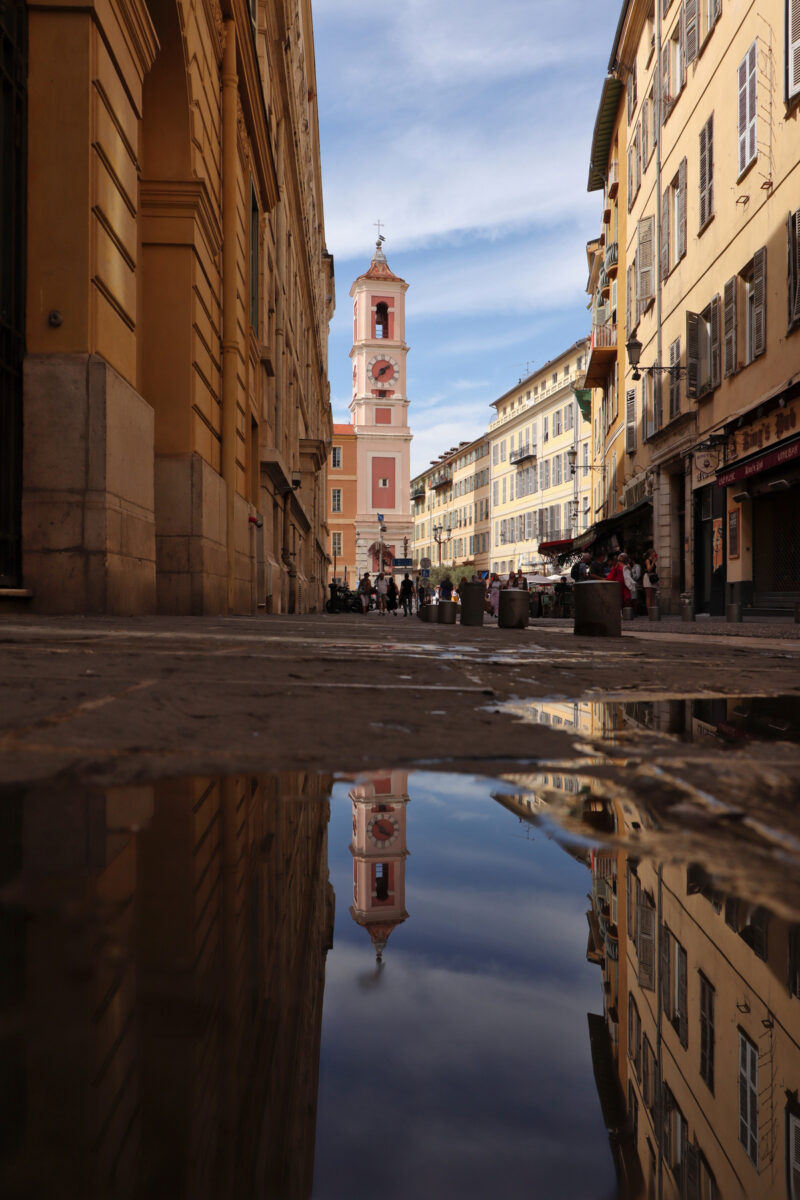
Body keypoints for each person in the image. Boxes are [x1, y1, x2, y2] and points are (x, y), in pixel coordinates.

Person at [643, 548, 658, 614]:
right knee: (648, 595)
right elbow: (649, 569)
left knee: (653, 595)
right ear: (651, 553)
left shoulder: (652, 560)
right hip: (648, 577)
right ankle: (649, 612)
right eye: (654, 552)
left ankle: (653, 611)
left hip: (653, 577)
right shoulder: (647, 560)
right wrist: (653, 562)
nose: (655, 554)